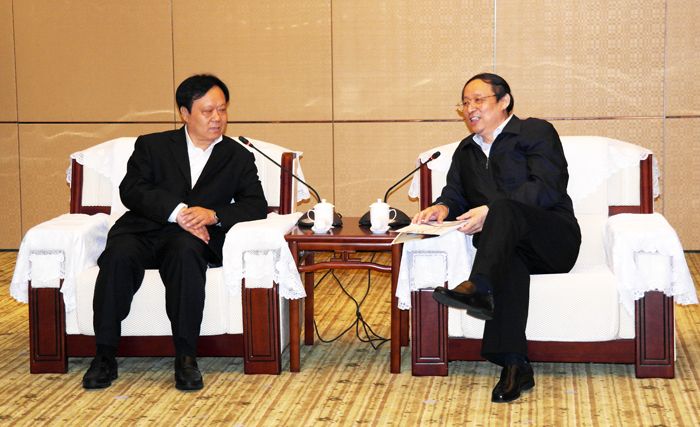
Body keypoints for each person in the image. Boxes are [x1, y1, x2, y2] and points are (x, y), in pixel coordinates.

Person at [82, 74, 268, 391]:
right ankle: (104, 356)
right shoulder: (152, 145)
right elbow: (132, 190)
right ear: (185, 113)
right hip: (141, 230)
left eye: (222, 110)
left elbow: (255, 205)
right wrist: (179, 212)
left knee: (186, 254)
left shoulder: (238, 156)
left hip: (190, 239)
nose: (217, 118)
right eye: (207, 111)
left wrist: (213, 215)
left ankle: (186, 358)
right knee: (117, 257)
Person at [412, 73, 581, 403]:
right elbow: (455, 194)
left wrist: (490, 210)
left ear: (504, 101)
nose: (470, 108)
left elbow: (548, 187)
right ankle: (516, 365)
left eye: (479, 100)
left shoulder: (535, 132)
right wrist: (441, 207)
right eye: (465, 102)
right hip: (506, 249)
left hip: (553, 239)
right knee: (509, 262)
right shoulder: (466, 151)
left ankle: (477, 286)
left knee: (502, 206)